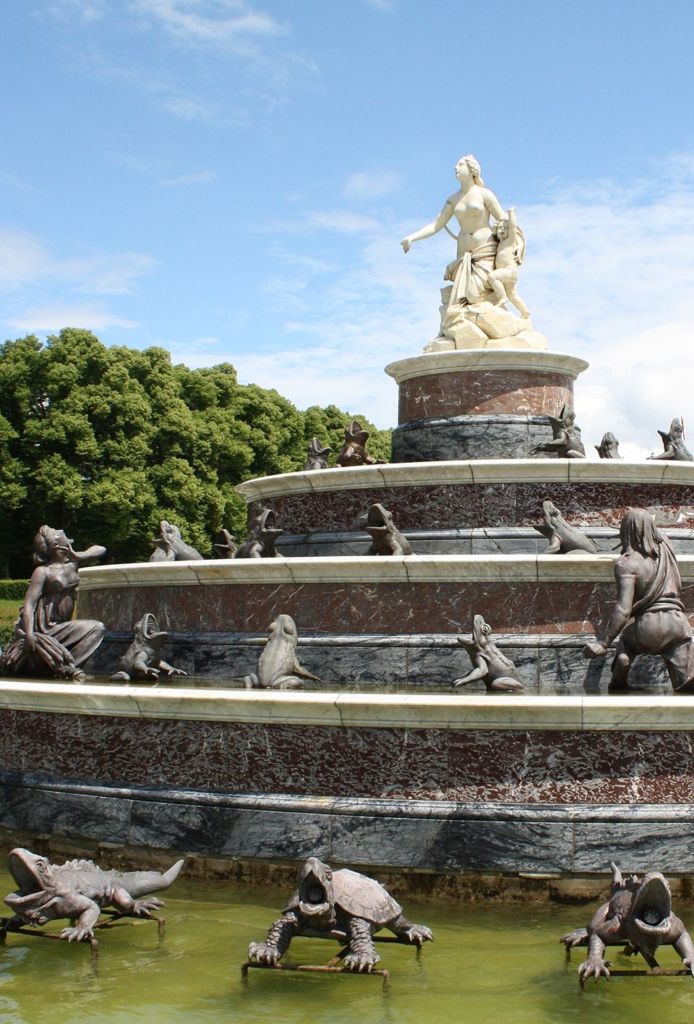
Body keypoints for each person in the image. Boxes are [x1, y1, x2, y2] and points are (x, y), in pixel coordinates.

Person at [583, 508, 694, 693]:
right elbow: (656, 534)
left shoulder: (626, 564)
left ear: (624, 531)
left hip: (648, 627)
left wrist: (603, 643)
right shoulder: (666, 548)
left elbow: (623, 609)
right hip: (678, 625)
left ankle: (622, 667)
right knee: (686, 686)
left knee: (626, 641)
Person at [0, 526, 105, 680]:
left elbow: (101, 549)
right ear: (56, 544)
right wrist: (29, 634)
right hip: (46, 627)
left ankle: (69, 666)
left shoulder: (73, 563)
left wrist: (78, 555)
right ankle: (69, 670)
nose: (62, 530)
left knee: (97, 628)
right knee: (96, 627)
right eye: (57, 532)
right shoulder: (43, 571)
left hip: (62, 625)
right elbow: (29, 605)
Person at [401, 154, 505, 305]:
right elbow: (436, 225)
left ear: (472, 169)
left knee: (477, 294)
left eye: (461, 165)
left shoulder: (484, 194)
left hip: (484, 249)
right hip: (463, 252)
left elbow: (503, 218)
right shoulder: (453, 199)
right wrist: (412, 237)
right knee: (462, 298)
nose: (456, 168)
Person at [486, 207, 530, 317]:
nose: (501, 230)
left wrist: (511, 213)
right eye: (499, 228)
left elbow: (513, 226)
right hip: (506, 274)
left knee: (492, 277)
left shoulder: (510, 241)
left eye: (504, 228)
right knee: (513, 295)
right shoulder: (500, 244)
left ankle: (502, 297)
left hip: (509, 272)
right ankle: (525, 312)